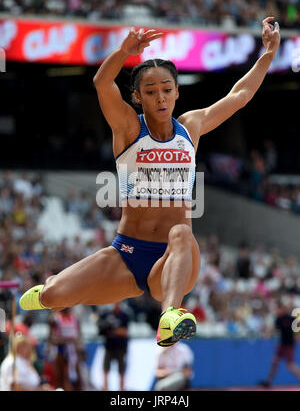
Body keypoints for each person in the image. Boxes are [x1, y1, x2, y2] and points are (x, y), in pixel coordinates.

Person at [19, 18, 281, 348]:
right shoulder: (129, 129)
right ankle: (52, 289)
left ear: (177, 92)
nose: (160, 98)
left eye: (167, 90)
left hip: (177, 257)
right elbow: (102, 83)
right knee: (53, 295)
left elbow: (240, 95)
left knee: (182, 230)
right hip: (127, 253)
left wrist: (268, 53)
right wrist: (123, 52)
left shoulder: (191, 127)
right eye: (151, 92)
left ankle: (170, 315)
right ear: (138, 97)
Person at [260, 303, 300, 388]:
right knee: (275, 362)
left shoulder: (290, 318)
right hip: (282, 344)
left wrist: (297, 336)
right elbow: (273, 328)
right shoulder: (278, 319)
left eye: (278, 309)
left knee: (290, 365)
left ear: (282, 309)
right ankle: (268, 382)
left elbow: (298, 326)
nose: (277, 311)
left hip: (289, 344)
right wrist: (267, 334)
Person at [98, 303, 129, 391]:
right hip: (109, 346)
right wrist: (109, 328)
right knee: (106, 369)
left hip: (120, 346)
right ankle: (105, 387)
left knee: (121, 370)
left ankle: (122, 388)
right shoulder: (106, 315)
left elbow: (124, 332)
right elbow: (100, 330)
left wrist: (111, 331)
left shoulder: (124, 315)